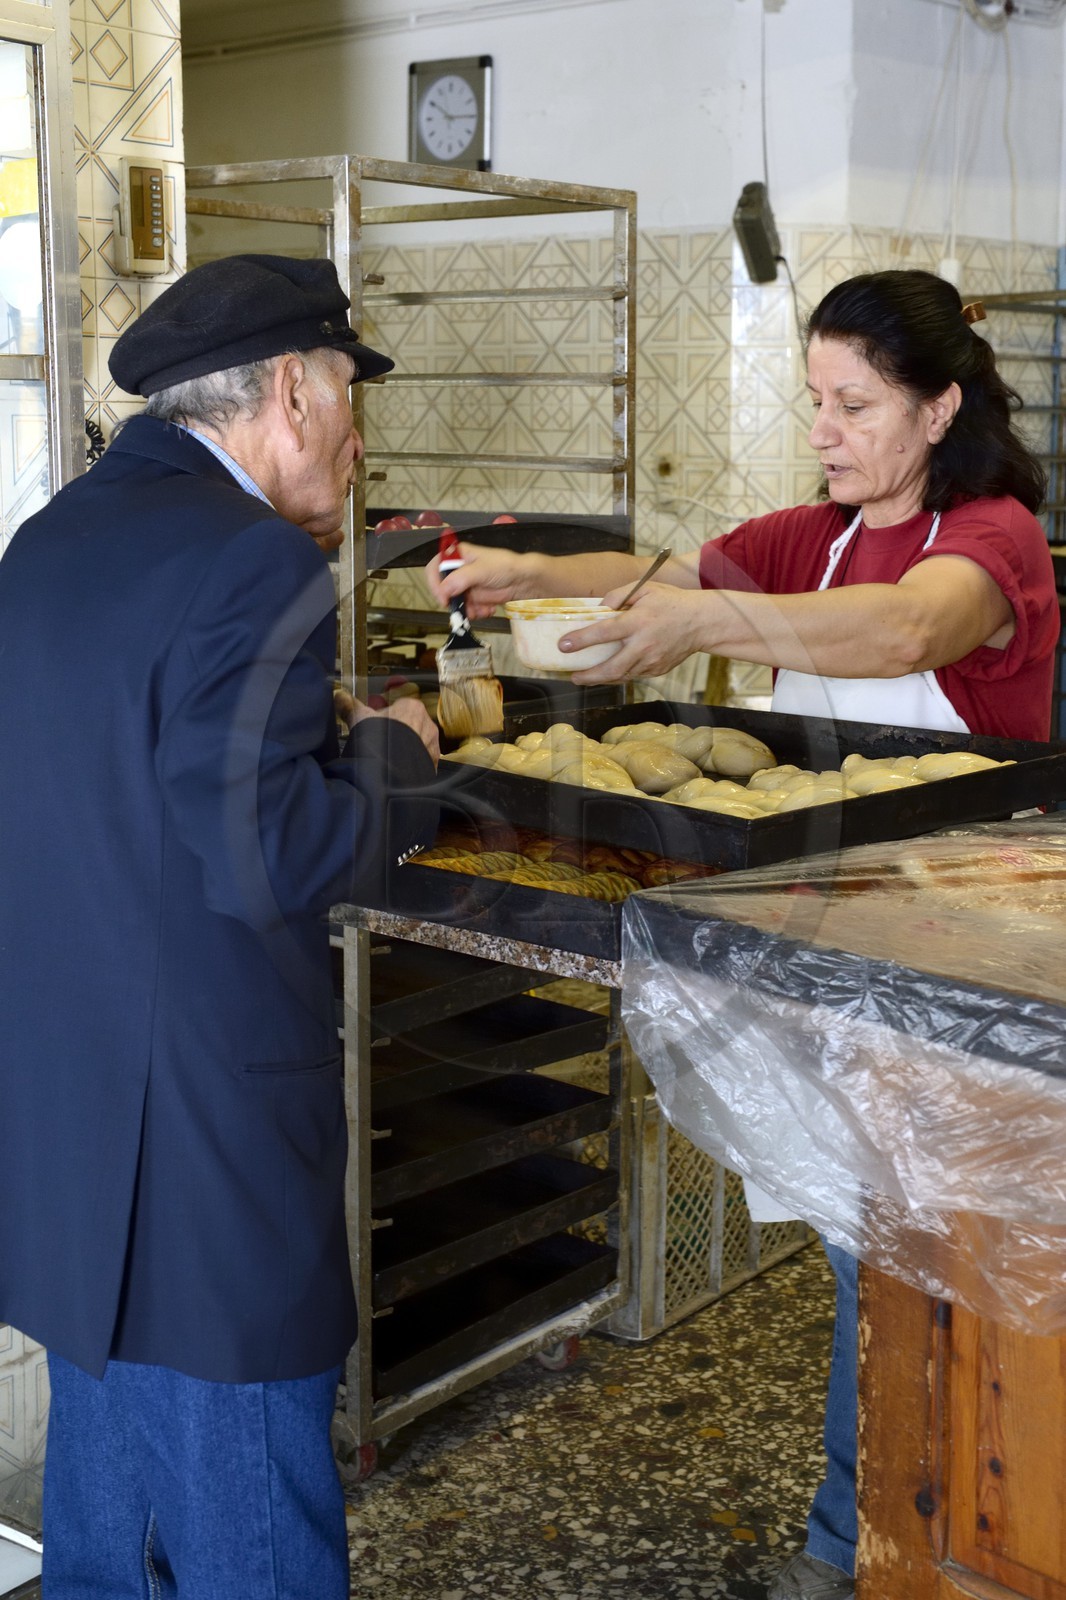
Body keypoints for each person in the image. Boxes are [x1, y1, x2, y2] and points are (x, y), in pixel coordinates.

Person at [427, 269, 1059, 1599]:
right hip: (824, 940)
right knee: (872, 1246)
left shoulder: (988, 539)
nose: (822, 429)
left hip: (965, 961)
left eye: (853, 404)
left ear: (939, 407)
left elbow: (906, 629)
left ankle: (883, 1542)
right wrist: (526, 567)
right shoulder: (816, 536)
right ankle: (884, 1532)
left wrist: (699, 625)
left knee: (926, 1258)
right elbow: (669, 569)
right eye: (814, 400)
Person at [0, 253, 440, 1599]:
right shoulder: (257, 559)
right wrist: (400, 762)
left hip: (75, 1143)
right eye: (352, 404)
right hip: (205, 1158)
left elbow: (125, 782)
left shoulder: (51, 535)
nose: (359, 444)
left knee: (107, 1545)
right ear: (295, 393)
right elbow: (274, 854)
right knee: (251, 1541)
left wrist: (315, 734)